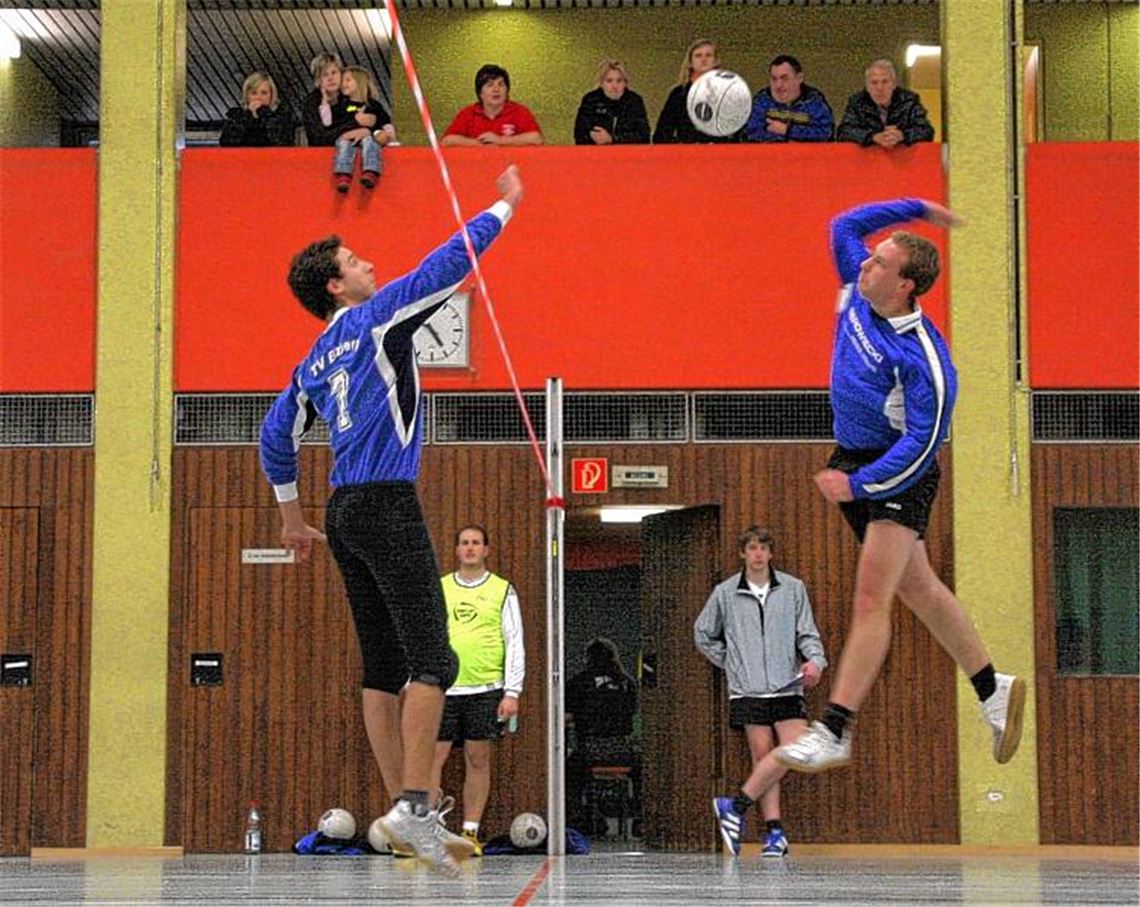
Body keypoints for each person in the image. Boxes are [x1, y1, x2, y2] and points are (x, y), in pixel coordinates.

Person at [258, 165, 525, 873]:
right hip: (385, 501)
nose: (368, 263)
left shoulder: (312, 360)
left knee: (382, 666)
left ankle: (405, 815)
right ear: (335, 287)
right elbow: (446, 266)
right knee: (435, 660)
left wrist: (292, 520)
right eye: (354, 261)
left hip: (343, 511)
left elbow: (274, 436)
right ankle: (414, 805)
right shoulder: (376, 319)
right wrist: (504, 206)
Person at [770, 198, 1025, 777]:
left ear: (906, 285)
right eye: (871, 257)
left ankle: (834, 728)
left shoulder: (925, 360)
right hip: (856, 459)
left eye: (881, 262)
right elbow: (843, 224)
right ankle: (993, 688)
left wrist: (860, 485)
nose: (866, 264)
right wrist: (917, 208)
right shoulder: (858, 287)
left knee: (871, 600)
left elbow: (924, 445)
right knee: (922, 589)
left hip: (896, 473)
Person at [697, 527, 826, 858]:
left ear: (771, 553)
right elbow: (703, 633)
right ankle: (775, 833)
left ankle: (736, 805)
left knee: (795, 748)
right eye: (752, 548)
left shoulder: (793, 588)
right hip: (748, 689)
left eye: (763, 548)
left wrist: (815, 661)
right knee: (763, 757)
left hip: (787, 686)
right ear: (743, 553)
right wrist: (732, 662)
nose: (757, 554)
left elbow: (807, 632)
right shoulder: (725, 593)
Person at [430, 524, 525, 857]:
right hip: (444, 688)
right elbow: (427, 636)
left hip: (485, 689)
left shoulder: (502, 590)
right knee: (432, 758)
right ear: (457, 550)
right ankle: (426, 829)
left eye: (476, 543)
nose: (470, 548)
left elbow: (514, 640)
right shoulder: (441, 588)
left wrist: (512, 691)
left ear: (486, 550)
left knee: (477, 758)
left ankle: (469, 832)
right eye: (464, 543)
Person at [565, 637, 639, 834]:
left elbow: (566, 717)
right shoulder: (627, 683)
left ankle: (581, 819)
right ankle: (641, 819)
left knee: (567, 772)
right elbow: (631, 714)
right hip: (622, 750)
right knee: (643, 769)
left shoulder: (579, 683)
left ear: (587, 658)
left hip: (591, 749)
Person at [653, 38, 742, 144]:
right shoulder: (678, 94)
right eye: (698, 55)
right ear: (690, 62)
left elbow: (736, 131)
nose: (703, 59)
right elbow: (662, 133)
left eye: (708, 55)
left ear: (716, 61)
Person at [836, 59, 935, 148]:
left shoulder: (909, 101)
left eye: (885, 82)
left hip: (903, 159)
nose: (880, 88)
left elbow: (926, 131)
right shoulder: (857, 103)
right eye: (874, 82)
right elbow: (843, 132)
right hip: (868, 160)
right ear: (867, 87)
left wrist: (902, 135)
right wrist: (872, 137)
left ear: (894, 84)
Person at [441, 64, 543, 147]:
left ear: (507, 91)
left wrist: (501, 140)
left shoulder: (519, 112)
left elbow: (536, 139)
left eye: (501, 84)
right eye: (490, 85)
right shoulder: (468, 113)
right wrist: (479, 144)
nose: (496, 89)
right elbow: (447, 141)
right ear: (480, 93)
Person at [744, 55, 833, 143]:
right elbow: (751, 132)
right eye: (774, 79)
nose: (778, 85)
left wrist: (788, 130)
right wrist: (781, 140)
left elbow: (826, 133)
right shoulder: (762, 100)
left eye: (784, 78)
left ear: (799, 78)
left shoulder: (814, 101)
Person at [332, 65, 393, 192]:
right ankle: (343, 174)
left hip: (368, 138)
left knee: (370, 141)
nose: (343, 84)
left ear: (360, 82)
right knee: (344, 144)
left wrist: (381, 134)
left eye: (348, 80)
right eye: (342, 81)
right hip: (348, 138)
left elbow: (385, 124)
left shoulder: (374, 105)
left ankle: (370, 171)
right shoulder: (341, 105)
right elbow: (336, 124)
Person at [574, 59, 650, 146]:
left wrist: (613, 139)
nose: (614, 86)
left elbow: (644, 137)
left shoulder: (634, 101)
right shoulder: (590, 101)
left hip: (627, 152)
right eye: (609, 81)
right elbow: (580, 134)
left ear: (625, 83)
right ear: (601, 83)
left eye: (619, 81)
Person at [218, 71, 295, 147]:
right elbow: (227, 143)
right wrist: (247, 116)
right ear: (247, 96)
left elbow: (282, 142)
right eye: (254, 93)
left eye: (264, 93)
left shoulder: (283, 116)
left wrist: (264, 113)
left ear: (271, 95)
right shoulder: (237, 117)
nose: (258, 97)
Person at [301, 51, 345, 147]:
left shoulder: (350, 97)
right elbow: (317, 138)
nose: (330, 78)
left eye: (334, 73)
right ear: (318, 80)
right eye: (325, 75)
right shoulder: (311, 102)